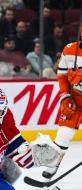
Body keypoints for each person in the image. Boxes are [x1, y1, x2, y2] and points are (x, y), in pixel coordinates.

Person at [41, 25, 82, 179]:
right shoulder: (70, 50)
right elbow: (62, 76)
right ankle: (53, 164)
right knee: (63, 134)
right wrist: (65, 96)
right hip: (75, 99)